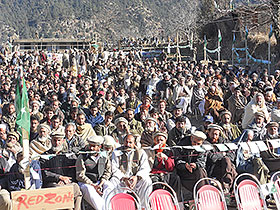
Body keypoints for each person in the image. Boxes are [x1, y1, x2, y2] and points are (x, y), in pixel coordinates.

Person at [40, 130, 82, 210]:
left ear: (63, 141)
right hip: (52, 183)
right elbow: (44, 172)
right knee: (62, 190)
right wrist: (59, 177)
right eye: (54, 140)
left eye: (59, 140)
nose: (57, 143)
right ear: (51, 141)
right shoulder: (45, 156)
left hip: (67, 182)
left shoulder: (68, 154)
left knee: (76, 188)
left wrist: (66, 179)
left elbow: (73, 170)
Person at [110, 134, 152, 209]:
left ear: (134, 143)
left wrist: (137, 177)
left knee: (147, 181)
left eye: (130, 142)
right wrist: (124, 178)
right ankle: (117, 206)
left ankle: (143, 206)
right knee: (113, 181)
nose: (128, 145)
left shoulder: (140, 152)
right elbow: (114, 168)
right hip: (123, 180)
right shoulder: (116, 152)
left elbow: (145, 168)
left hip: (135, 180)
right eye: (126, 142)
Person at [76, 136, 112, 210]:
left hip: (99, 181)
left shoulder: (104, 155)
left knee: (109, 186)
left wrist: (101, 184)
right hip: (86, 183)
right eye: (90, 146)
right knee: (89, 190)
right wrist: (92, 185)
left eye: (94, 146)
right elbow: (80, 175)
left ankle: (108, 207)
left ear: (99, 146)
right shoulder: (82, 156)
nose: (91, 148)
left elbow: (107, 171)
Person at [175, 130, 208, 196]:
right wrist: (185, 165)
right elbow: (177, 160)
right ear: (191, 138)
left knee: (201, 171)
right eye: (194, 142)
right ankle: (203, 194)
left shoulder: (203, 148)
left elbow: (202, 162)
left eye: (198, 144)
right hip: (183, 171)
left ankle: (201, 194)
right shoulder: (181, 145)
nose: (195, 145)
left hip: (195, 171)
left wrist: (196, 165)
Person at [206, 124, 237, 192]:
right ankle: (230, 187)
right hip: (213, 167)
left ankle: (228, 186)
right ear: (208, 132)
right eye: (213, 134)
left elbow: (232, 154)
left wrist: (221, 155)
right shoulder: (205, 143)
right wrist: (223, 154)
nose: (214, 136)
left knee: (227, 161)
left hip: (226, 166)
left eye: (216, 134)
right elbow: (212, 158)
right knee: (230, 167)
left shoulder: (224, 141)